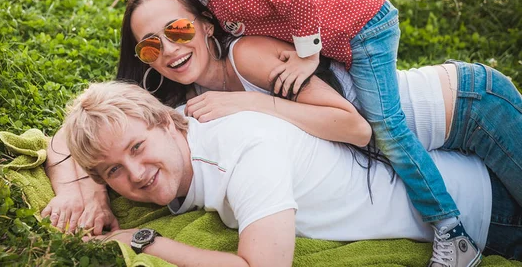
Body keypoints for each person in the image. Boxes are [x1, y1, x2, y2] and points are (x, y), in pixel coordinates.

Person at [140, 0, 475, 260]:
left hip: (364, 30)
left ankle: (450, 228)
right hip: (356, 36)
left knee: (388, 128)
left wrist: (307, 54)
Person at [58, 81, 522, 266]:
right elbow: (63, 138)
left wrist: (143, 240)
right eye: (113, 170)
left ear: (163, 121)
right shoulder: (183, 125)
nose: (135, 174)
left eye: (137, 149)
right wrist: (90, 192)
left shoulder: (242, 151)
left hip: (485, 213)